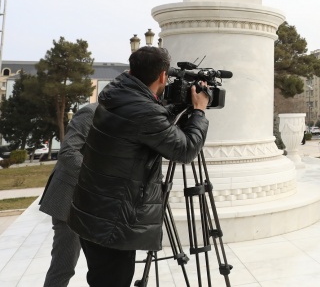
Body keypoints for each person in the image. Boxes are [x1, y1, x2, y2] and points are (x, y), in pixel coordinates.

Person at [68, 46, 209, 287]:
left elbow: (141, 122)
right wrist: (198, 112)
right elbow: (185, 150)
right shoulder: (144, 113)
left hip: (94, 212)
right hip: (113, 223)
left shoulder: (115, 95)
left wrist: (171, 109)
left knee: (101, 278)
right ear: (163, 76)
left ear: (132, 70)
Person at [38, 103, 97, 287]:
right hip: (68, 201)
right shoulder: (91, 112)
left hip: (95, 204)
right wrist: (100, 177)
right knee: (64, 266)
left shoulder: (121, 115)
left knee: (102, 268)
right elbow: (68, 152)